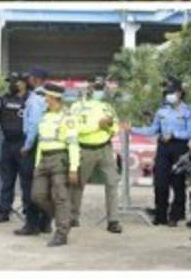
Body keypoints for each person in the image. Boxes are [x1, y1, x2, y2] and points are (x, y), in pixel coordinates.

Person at [133, 80, 191, 226]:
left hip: (180, 148)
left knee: (178, 183)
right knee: (160, 182)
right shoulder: (161, 111)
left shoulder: (188, 111)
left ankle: (176, 215)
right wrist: (133, 129)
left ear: (179, 93)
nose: (169, 96)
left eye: (171, 92)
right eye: (167, 93)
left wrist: (174, 134)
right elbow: (152, 129)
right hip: (163, 147)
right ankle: (160, 215)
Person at [30, 82, 80, 247]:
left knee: (60, 197)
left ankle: (62, 233)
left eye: (46, 96)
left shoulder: (68, 118)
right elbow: (41, 142)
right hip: (43, 159)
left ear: (53, 98)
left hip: (59, 159)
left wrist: (73, 168)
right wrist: (37, 163)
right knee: (37, 196)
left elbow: (73, 143)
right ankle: (63, 216)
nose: (44, 99)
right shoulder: (45, 116)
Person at [69, 77, 121, 234]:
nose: (97, 91)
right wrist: (97, 126)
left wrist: (109, 128)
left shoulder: (107, 107)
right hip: (85, 149)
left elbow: (116, 126)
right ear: (88, 88)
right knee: (78, 184)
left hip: (105, 148)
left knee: (112, 183)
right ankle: (73, 216)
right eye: (95, 87)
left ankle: (113, 220)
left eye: (100, 88)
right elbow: (76, 128)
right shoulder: (77, 106)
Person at [16, 67, 52, 236]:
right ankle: (45, 222)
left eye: (30, 77)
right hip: (47, 144)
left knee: (29, 184)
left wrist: (27, 146)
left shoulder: (36, 98)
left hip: (34, 144)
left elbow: (34, 125)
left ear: (36, 79)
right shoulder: (50, 96)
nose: (28, 79)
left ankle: (31, 224)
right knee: (45, 185)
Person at [0, 73, 29, 224]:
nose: (12, 85)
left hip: (23, 144)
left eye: (15, 82)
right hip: (7, 143)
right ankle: (3, 211)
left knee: (26, 180)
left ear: (23, 83)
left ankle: (29, 211)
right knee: (6, 180)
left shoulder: (29, 100)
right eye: (11, 82)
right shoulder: (2, 100)